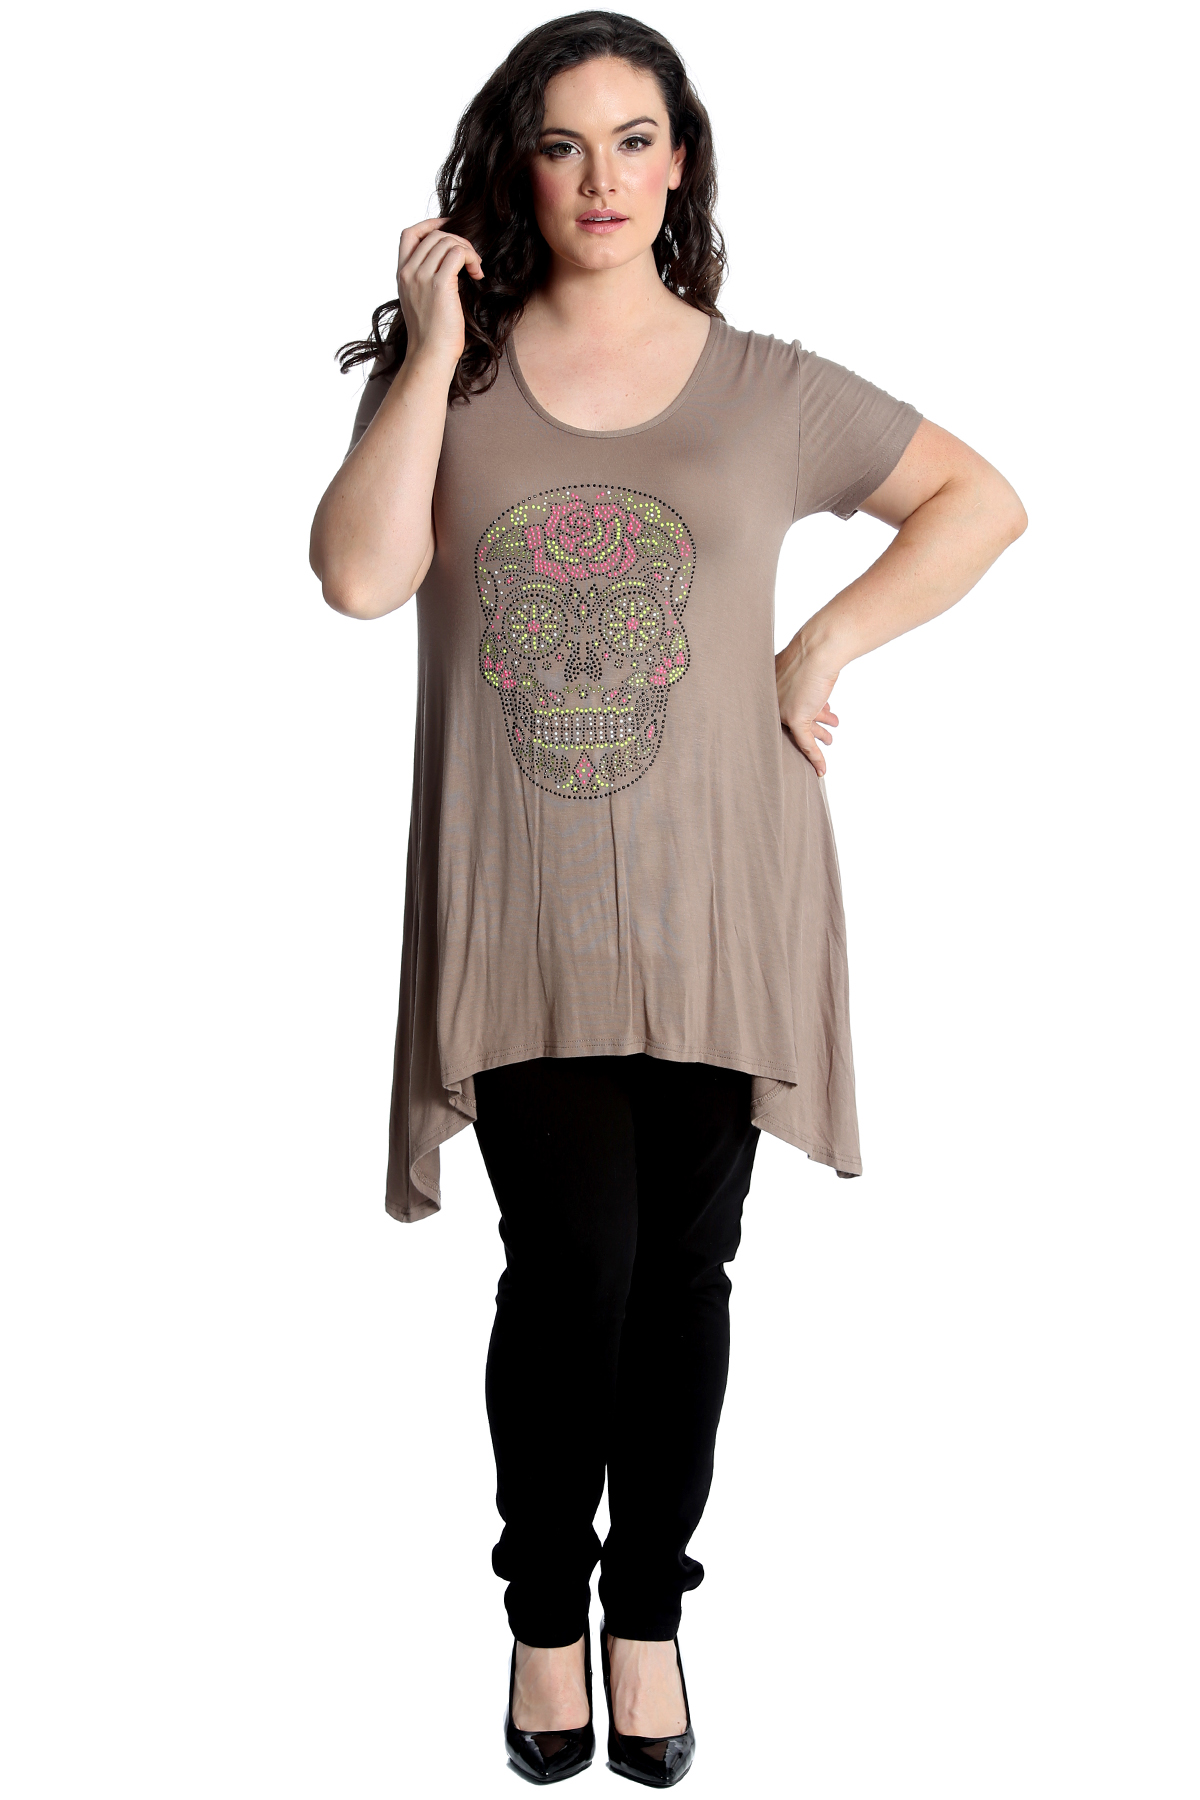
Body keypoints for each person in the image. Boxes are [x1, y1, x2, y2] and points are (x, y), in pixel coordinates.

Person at [309, 11, 1026, 1786]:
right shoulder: (457, 383)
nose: (602, 178)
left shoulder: (768, 386)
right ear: (518, 167)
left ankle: (648, 1615)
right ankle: (541, 1613)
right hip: (523, 905)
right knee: (576, 1268)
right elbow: (359, 579)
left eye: (635, 140)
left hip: (727, 891)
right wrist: (430, 349)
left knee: (686, 1276)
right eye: (564, 144)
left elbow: (979, 500)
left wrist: (823, 642)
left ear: (680, 160)